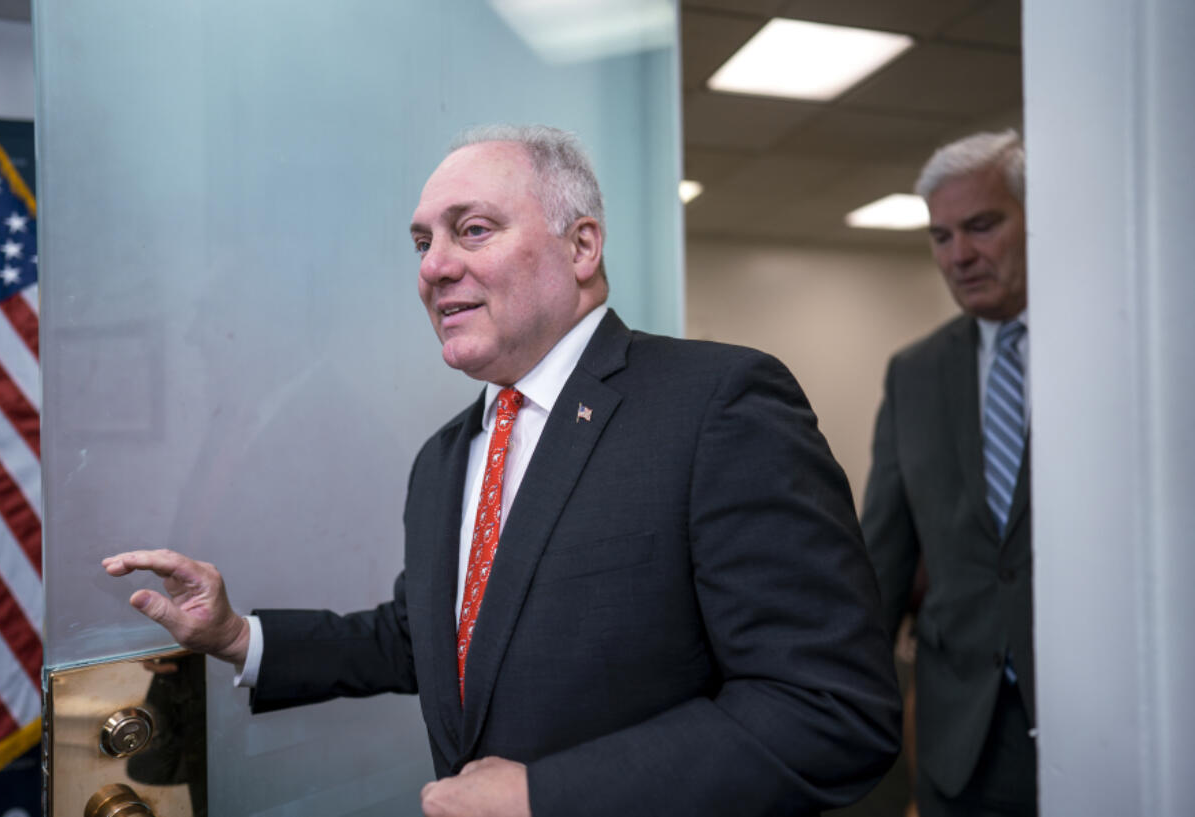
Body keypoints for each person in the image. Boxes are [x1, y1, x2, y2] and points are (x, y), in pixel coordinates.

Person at [104, 124, 900, 817]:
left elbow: (828, 708)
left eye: (472, 230)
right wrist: (240, 636)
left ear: (582, 246)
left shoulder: (716, 405)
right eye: (422, 243)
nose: (434, 267)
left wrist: (545, 797)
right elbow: (431, 636)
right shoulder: (446, 457)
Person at [862, 129, 1035, 817]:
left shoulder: (1117, 344)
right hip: (959, 733)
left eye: (982, 226)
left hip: (1106, 710)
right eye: (940, 237)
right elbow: (884, 553)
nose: (959, 255)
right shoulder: (915, 372)